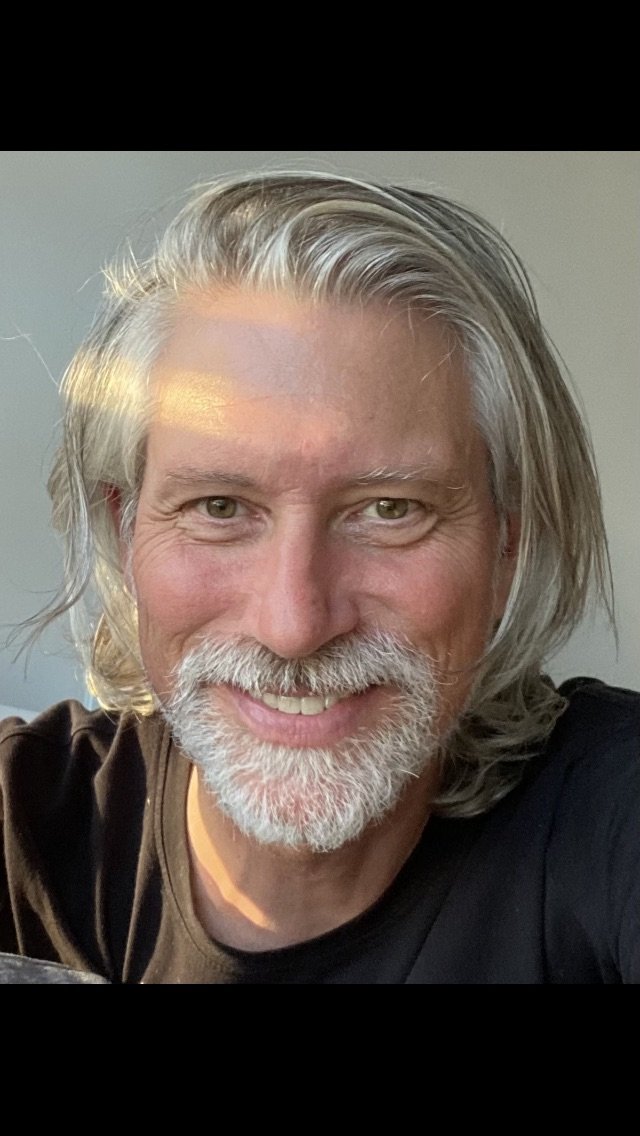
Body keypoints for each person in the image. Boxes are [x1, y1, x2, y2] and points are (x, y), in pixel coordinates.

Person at [1, 169, 638, 984]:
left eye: (390, 510)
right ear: (126, 529)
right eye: (220, 507)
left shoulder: (610, 818)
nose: (294, 624)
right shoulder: (22, 826)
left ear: (505, 546)